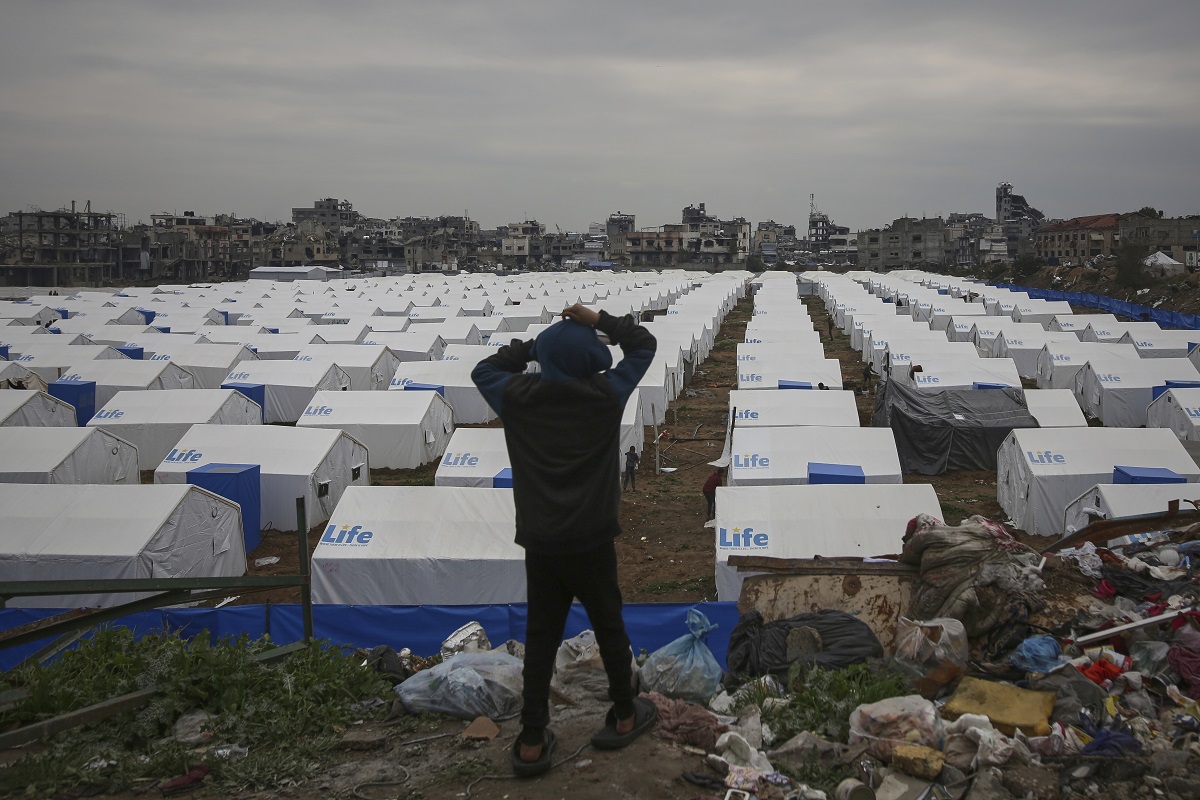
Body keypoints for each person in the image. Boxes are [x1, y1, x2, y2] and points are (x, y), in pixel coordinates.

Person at [472, 303, 659, 778]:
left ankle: (532, 740)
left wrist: (534, 347)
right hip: (593, 538)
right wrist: (598, 319)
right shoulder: (604, 392)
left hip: (542, 541)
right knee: (609, 627)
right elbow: (644, 344)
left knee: (540, 638)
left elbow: (484, 368)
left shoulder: (519, 395)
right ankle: (622, 713)